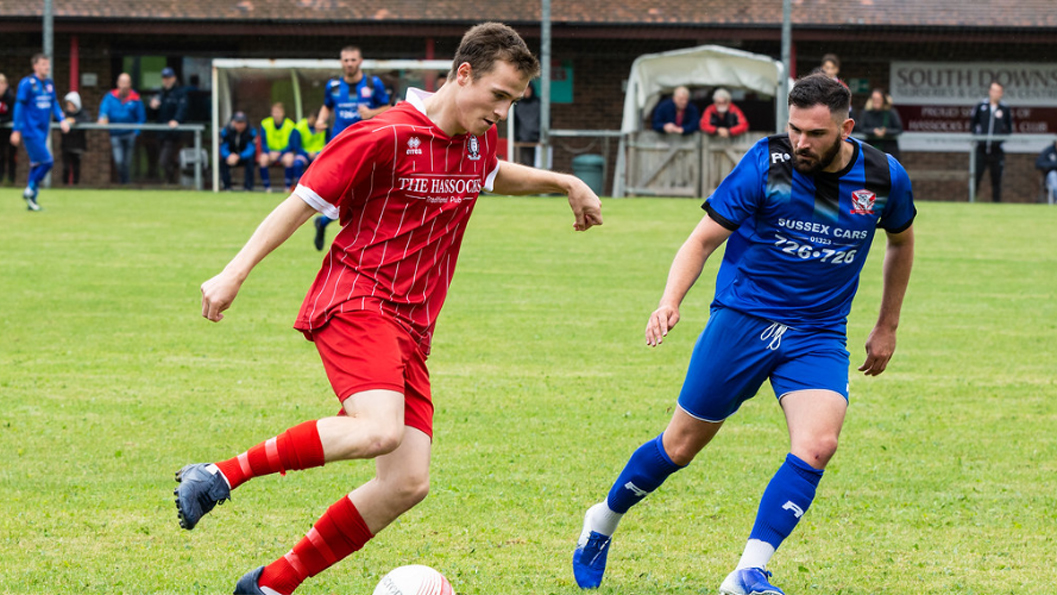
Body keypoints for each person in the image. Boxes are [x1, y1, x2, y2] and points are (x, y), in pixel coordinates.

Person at [174, 23, 602, 595]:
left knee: (405, 483)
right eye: (498, 95)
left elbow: (490, 175)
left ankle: (271, 584)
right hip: (358, 298)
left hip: (412, 324)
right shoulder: (384, 133)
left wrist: (562, 181)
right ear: (463, 74)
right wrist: (234, 271)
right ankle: (221, 474)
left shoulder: (478, 140)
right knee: (377, 431)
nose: (503, 111)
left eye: (514, 101)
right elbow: (301, 203)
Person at [572, 72, 915, 595]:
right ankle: (602, 520)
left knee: (819, 443)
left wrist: (887, 324)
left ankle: (747, 572)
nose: (801, 142)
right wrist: (670, 302)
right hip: (744, 320)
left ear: (846, 127)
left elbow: (901, 241)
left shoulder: (883, 176)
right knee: (680, 447)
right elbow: (703, 239)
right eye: (795, 129)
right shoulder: (767, 163)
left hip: (818, 332)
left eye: (816, 134)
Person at [312, 44, 392, 250]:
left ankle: (323, 222)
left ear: (360, 61)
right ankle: (354, 236)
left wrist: (372, 113)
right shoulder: (333, 86)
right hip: (340, 146)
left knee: (361, 194)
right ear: (341, 62)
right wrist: (321, 120)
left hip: (367, 145)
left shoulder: (374, 84)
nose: (349, 64)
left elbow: (389, 108)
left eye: (353, 60)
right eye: (345, 60)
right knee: (343, 191)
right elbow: (326, 106)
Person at [10, 53, 72, 211]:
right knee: (47, 161)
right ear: (35, 66)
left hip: (44, 130)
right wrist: (16, 130)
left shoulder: (49, 84)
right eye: (43, 64)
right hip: (30, 130)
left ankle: (32, 202)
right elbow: (19, 107)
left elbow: (54, 104)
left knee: (36, 164)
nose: (47, 67)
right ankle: (30, 188)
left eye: (48, 64)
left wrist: (62, 119)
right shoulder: (27, 83)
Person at [97, 72, 146, 185]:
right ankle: (122, 181)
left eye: (126, 82)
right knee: (119, 160)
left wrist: (136, 132)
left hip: (130, 134)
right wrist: (102, 118)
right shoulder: (110, 97)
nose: (124, 85)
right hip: (115, 134)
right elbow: (104, 111)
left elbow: (141, 118)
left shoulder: (136, 98)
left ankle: (126, 183)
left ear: (130, 84)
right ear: (118, 83)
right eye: (122, 82)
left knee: (127, 162)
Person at [970, 81, 1013, 203]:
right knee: (976, 177)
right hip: (981, 149)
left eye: (998, 91)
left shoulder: (1005, 109)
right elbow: (973, 125)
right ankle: (971, 201)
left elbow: (1009, 129)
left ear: (1001, 93)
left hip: (996, 150)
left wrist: (998, 140)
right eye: (993, 90)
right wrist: (979, 137)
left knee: (996, 180)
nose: (995, 93)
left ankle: (997, 204)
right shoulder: (981, 106)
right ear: (989, 91)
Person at [149, 66, 188, 184]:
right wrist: (152, 107)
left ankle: (171, 180)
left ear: (174, 78)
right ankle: (171, 180)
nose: (166, 80)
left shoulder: (180, 93)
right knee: (165, 160)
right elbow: (152, 115)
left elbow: (183, 109)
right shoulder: (161, 94)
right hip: (160, 132)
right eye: (164, 78)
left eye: (169, 77)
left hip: (172, 134)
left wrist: (176, 120)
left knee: (164, 161)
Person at [258, 102, 298, 193]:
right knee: (263, 159)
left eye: (278, 112)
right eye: (274, 112)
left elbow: (292, 144)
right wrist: (269, 152)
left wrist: (280, 153)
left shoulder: (290, 124)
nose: (276, 115)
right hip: (270, 152)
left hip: (284, 152)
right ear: (271, 113)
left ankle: (287, 187)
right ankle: (267, 188)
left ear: (283, 113)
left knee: (289, 159)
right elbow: (263, 143)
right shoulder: (265, 123)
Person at [855, 88, 903, 160]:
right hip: (871, 150)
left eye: (878, 99)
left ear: (883, 100)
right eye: (874, 99)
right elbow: (860, 128)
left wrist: (885, 132)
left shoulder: (891, 112)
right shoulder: (865, 113)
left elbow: (899, 129)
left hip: (889, 150)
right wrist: (873, 131)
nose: (876, 101)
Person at [218, 111, 257, 191]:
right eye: (237, 122)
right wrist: (228, 155)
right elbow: (223, 147)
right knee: (222, 161)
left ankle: (248, 187)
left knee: (250, 161)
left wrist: (239, 156)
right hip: (230, 156)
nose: (240, 125)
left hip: (244, 156)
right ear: (233, 122)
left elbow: (251, 148)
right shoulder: (226, 131)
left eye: (242, 122)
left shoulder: (251, 131)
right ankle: (227, 187)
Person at [290, 107, 326, 190]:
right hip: (304, 154)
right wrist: (307, 153)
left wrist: (318, 153)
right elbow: (296, 146)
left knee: (323, 164)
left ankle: (317, 188)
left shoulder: (324, 128)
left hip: (318, 154)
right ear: (313, 118)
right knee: (297, 163)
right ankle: (298, 186)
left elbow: (328, 143)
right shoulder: (299, 127)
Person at [60, 91, 91, 185]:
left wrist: (75, 121)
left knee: (76, 167)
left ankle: (75, 186)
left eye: (71, 105)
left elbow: (89, 121)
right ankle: (64, 186)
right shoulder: (64, 113)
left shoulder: (82, 113)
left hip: (78, 145)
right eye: (68, 105)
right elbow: (55, 119)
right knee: (66, 167)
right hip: (66, 144)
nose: (69, 107)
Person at [513, 81, 540, 166]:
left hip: (536, 140)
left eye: (528, 89)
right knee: (521, 162)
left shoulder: (538, 104)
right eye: (525, 90)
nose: (527, 92)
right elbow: (515, 123)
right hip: (521, 140)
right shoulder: (517, 104)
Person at [0, 73, 17, 186]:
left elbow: (13, 115)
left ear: (5, 85)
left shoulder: (11, 98)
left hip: (10, 132)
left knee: (11, 156)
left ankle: (11, 179)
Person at [1036, 137, 1057, 204]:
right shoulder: (1049, 151)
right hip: (1052, 176)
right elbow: (1039, 163)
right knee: (1053, 175)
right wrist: (1054, 165)